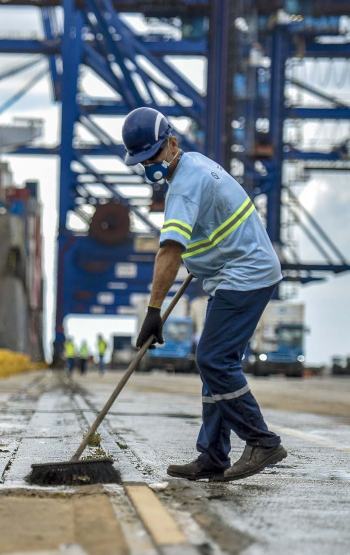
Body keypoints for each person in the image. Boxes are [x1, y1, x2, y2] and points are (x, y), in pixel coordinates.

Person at [123, 107, 287, 483]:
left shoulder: (184, 185)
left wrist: (153, 310)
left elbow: (169, 251)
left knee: (214, 360)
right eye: (143, 161)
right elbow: (211, 227)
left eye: (153, 155)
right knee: (213, 367)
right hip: (232, 273)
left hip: (245, 276)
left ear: (172, 143)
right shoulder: (195, 164)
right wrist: (203, 257)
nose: (150, 166)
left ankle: (261, 441)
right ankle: (213, 456)